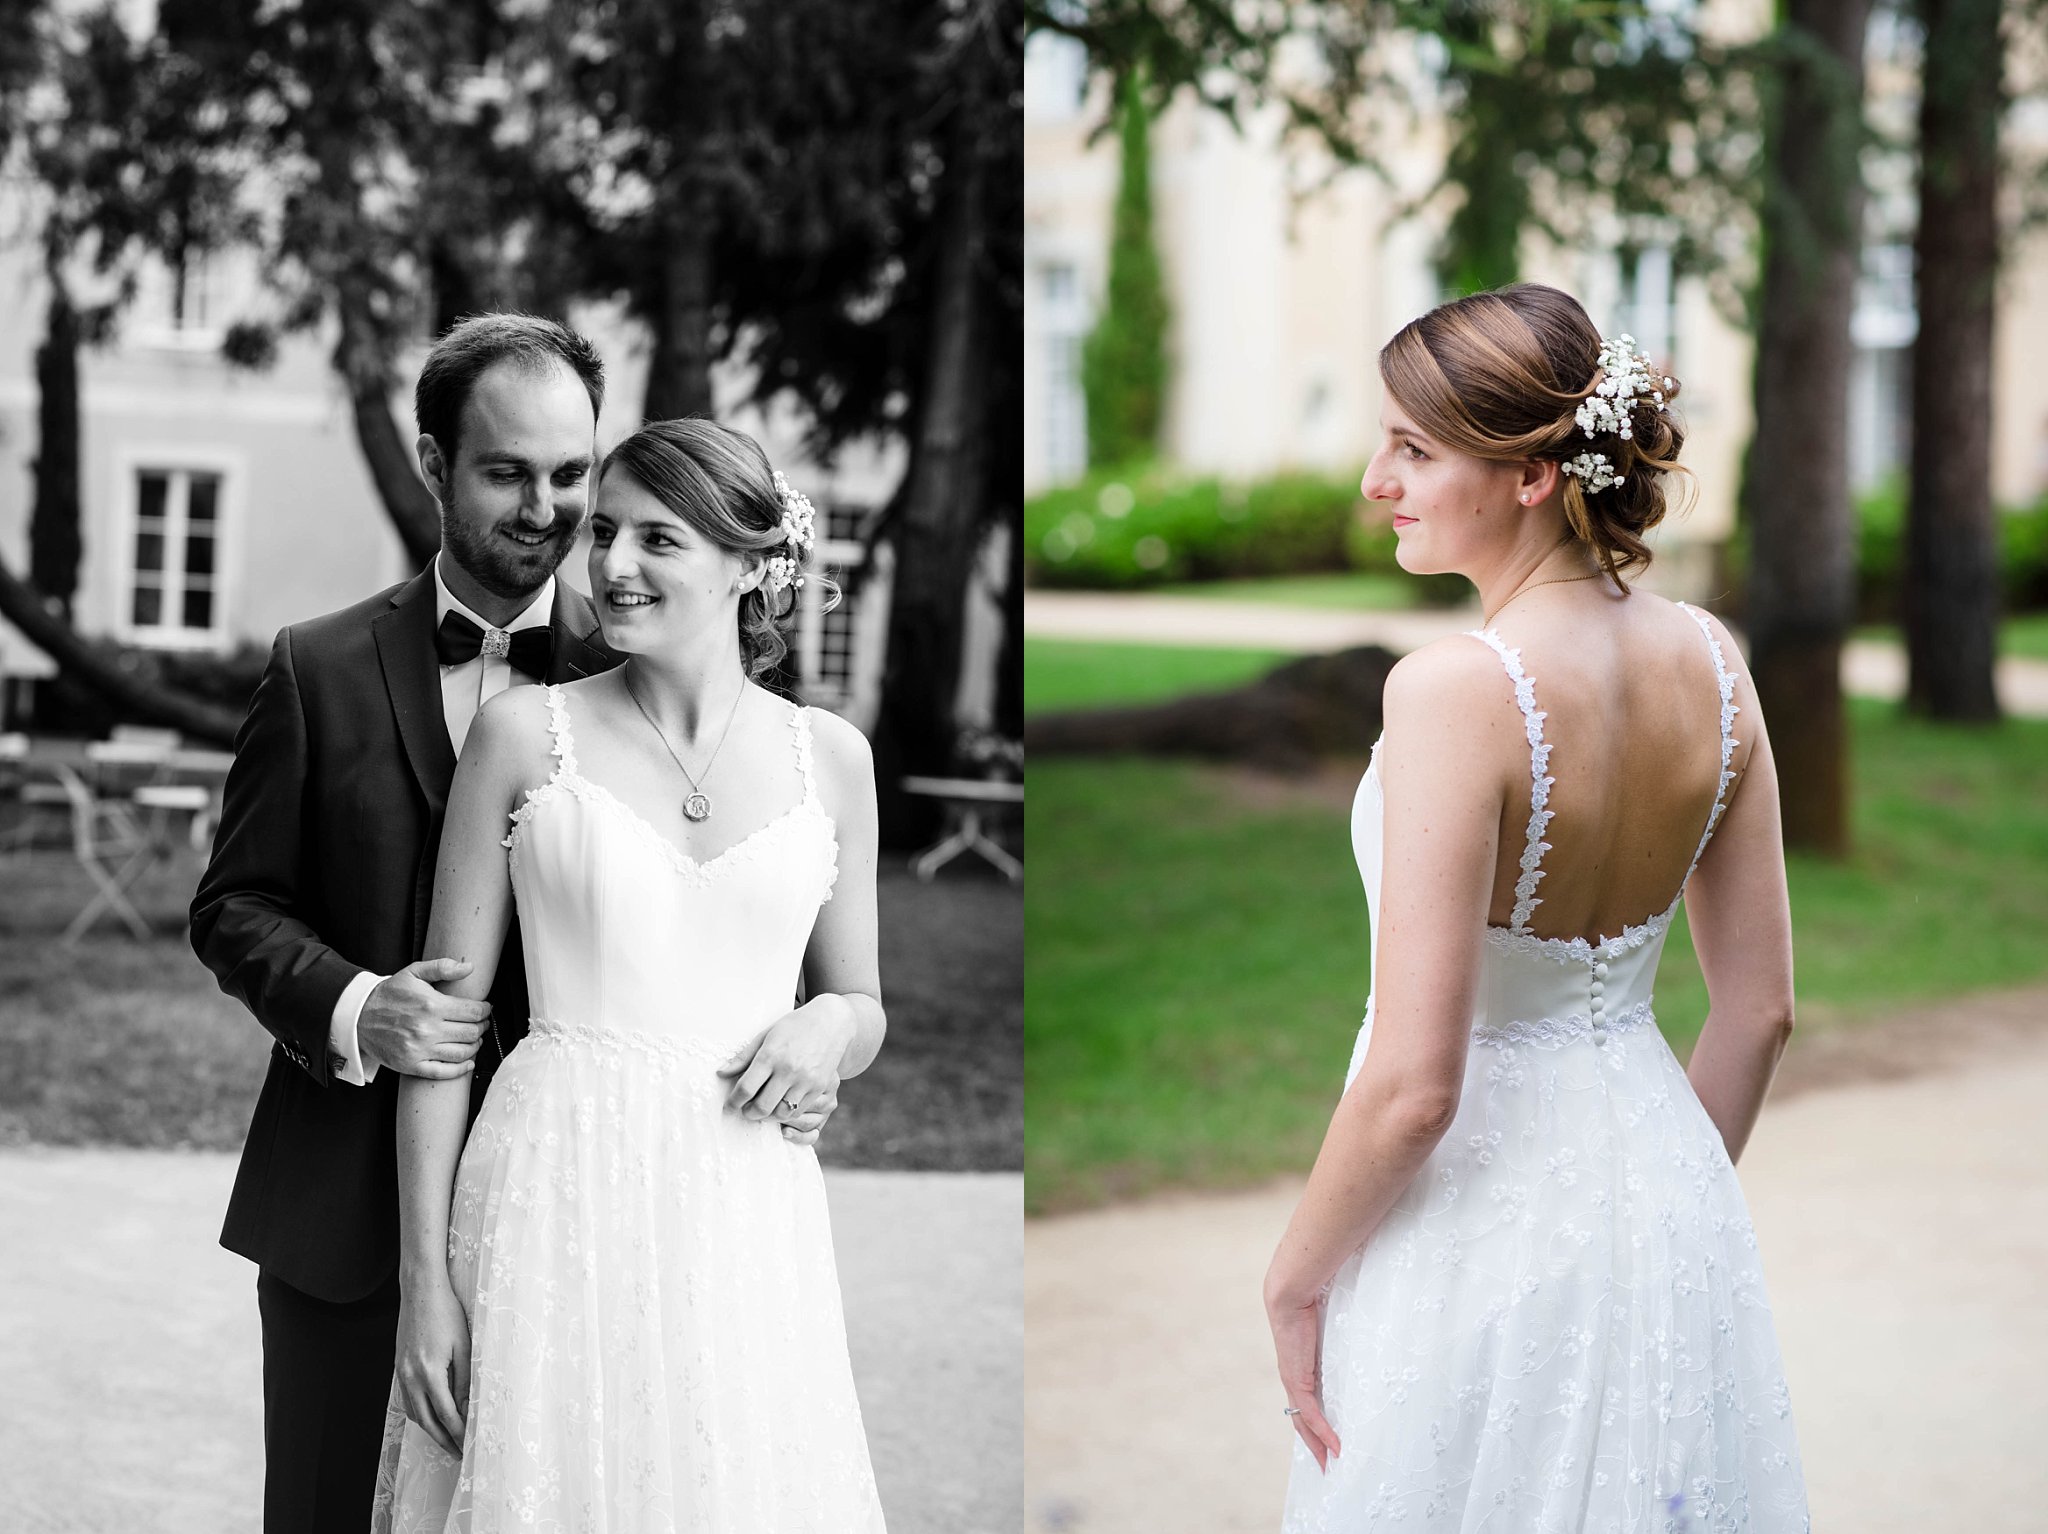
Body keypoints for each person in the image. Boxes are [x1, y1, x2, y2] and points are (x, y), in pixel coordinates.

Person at [190, 314, 828, 1533]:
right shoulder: (315, 668)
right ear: (433, 465)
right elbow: (232, 905)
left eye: (571, 475)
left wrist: (817, 1035)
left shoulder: (647, 651)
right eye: (505, 472)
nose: (546, 510)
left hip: (585, 1219)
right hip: (346, 1216)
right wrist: (354, 1004)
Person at [1266, 285, 1809, 1531]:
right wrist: (1664, 1203)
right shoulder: (1716, 664)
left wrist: (1293, 1276)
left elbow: (1416, 1084)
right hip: (1668, 1199)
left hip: (1466, 1217)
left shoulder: (1453, 688)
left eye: (1411, 448)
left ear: (1525, 476)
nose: (1372, 480)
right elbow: (1759, 1010)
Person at [369, 417, 888, 1531]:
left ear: (750, 563)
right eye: (602, 530)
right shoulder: (521, 736)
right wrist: (426, 1286)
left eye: (659, 539)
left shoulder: (831, 760)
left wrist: (830, 1025)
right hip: (551, 1183)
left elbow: (864, 1001)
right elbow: (444, 1031)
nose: (608, 565)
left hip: (742, 1202)